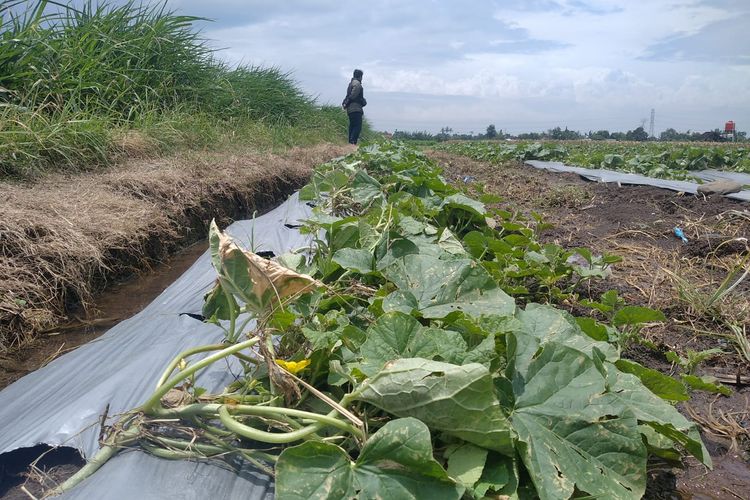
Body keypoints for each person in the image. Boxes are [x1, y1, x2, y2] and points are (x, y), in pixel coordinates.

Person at [342, 69, 366, 144]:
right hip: (356, 108)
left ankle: (350, 142)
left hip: (350, 109)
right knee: (357, 126)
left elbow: (349, 95)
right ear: (360, 76)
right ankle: (353, 142)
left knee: (352, 125)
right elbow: (353, 95)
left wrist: (345, 103)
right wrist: (348, 101)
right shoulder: (357, 83)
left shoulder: (351, 83)